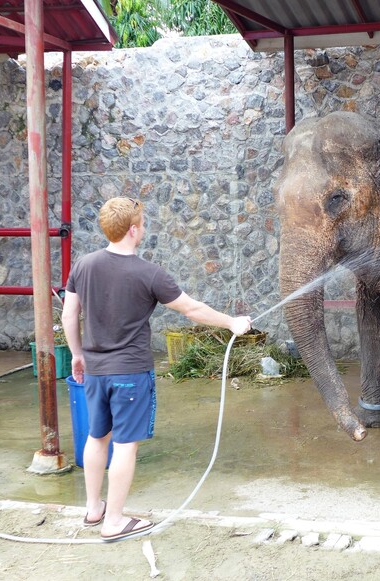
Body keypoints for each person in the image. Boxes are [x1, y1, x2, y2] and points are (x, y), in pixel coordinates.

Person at [62, 196, 251, 542]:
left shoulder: (83, 265)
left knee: (96, 437)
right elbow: (192, 310)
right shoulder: (149, 273)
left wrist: (77, 354)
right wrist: (232, 323)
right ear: (133, 230)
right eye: (143, 224)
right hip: (130, 374)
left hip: (95, 371)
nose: (143, 228)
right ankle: (114, 521)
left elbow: (68, 314)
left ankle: (93, 509)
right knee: (125, 446)